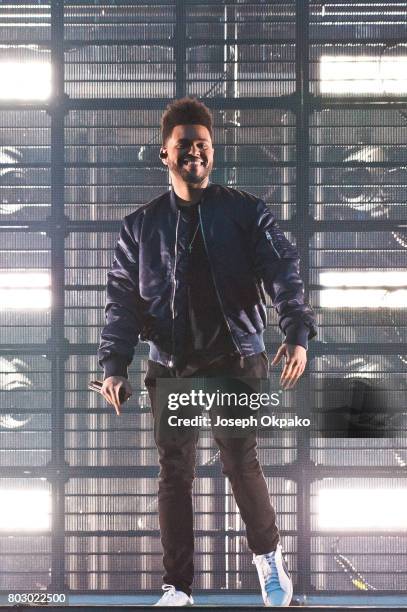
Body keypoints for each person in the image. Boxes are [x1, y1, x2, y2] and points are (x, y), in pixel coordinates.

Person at [97, 97, 317, 607]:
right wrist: (114, 365)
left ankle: (268, 561)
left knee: (241, 461)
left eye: (203, 146)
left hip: (236, 361)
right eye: (184, 146)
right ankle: (177, 587)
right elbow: (122, 303)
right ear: (165, 155)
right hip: (170, 365)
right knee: (175, 473)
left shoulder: (245, 212)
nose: (195, 153)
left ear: (212, 154)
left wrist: (297, 332)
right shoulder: (140, 227)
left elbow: (283, 272)